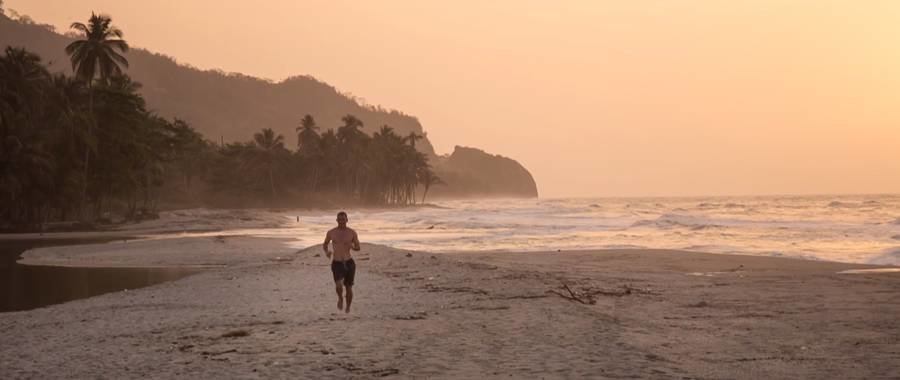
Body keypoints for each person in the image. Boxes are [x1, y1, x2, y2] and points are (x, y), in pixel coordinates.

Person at [323, 211, 360, 313]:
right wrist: (327, 252)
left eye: (343, 219)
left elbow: (358, 247)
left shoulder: (352, 232)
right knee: (338, 285)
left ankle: (348, 307)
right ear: (336, 220)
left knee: (348, 287)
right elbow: (325, 244)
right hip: (337, 262)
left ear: (347, 220)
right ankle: (340, 298)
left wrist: (352, 247)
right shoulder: (331, 232)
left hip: (349, 262)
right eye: (339, 219)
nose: (341, 221)